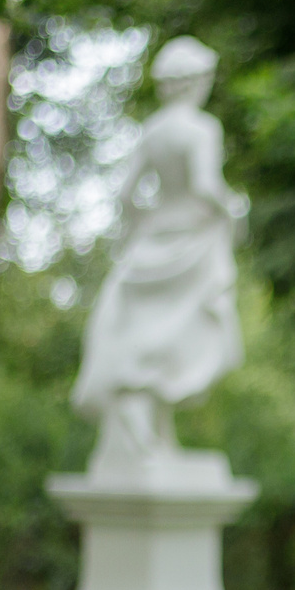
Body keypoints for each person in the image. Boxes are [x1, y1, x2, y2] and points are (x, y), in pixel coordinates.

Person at [71, 35, 244, 473]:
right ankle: (146, 436)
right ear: (194, 82)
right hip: (191, 243)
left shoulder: (153, 132)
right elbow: (207, 186)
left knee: (153, 337)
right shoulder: (202, 129)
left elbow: (128, 194)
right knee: (177, 337)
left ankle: (154, 438)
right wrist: (235, 208)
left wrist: (142, 229)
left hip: (153, 243)